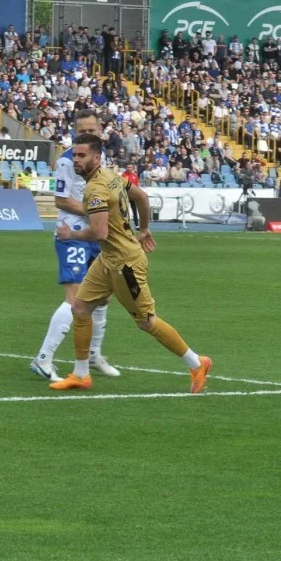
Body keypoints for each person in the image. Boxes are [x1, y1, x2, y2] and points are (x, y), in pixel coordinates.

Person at [52, 134, 213, 393]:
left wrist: (71, 235)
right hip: (109, 260)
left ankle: (196, 362)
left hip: (125, 265)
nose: (75, 160)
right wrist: (144, 229)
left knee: (146, 322)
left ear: (96, 157)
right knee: (80, 309)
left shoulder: (95, 188)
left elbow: (99, 233)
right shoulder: (111, 177)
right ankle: (81, 374)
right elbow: (142, 197)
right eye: (74, 155)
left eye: (81, 156)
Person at [30, 110, 119, 382]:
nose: (88, 132)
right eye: (82, 129)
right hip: (73, 234)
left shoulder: (100, 159)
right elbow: (61, 200)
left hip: (94, 236)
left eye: (92, 128)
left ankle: (92, 354)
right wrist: (94, 211)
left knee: (102, 298)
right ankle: (43, 358)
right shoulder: (68, 161)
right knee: (76, 299)